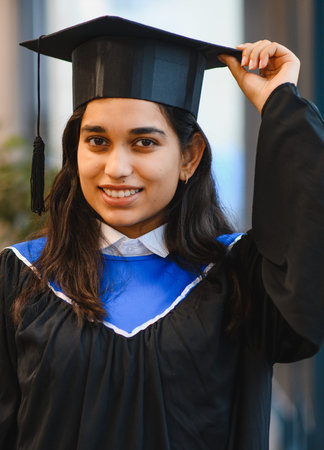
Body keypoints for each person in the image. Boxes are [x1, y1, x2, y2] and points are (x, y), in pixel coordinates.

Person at [1, 16, 324, 450]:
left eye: (144, 142)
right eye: (96, 141)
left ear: (190, 157)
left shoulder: (238, 279)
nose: (116, 168)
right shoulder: (22, 277)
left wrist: (280, 104)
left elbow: (308, 281)